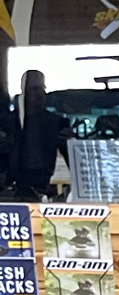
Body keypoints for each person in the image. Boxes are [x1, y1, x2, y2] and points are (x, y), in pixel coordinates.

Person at [7, 71, 70, 201]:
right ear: (23, 91)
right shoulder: (6, 122)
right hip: (7, 191)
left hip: (41, 189)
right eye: (33, 89)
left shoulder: (56, 123)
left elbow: (75, 162)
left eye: (42, 89)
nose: (39, 94)